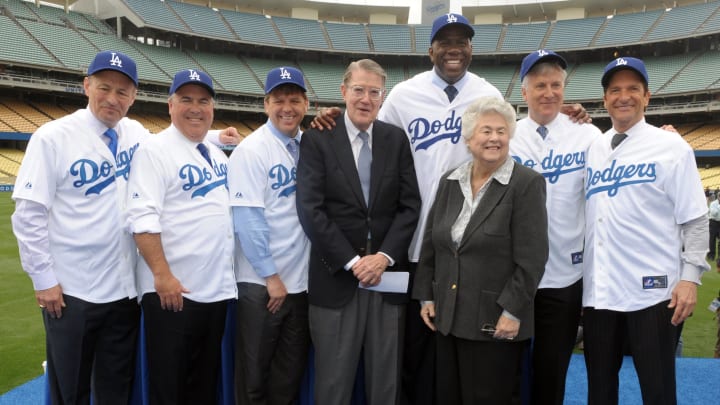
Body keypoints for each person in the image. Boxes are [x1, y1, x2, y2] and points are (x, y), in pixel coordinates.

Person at [310, 13, 589, 404]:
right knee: (415, 359)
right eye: (445, 41)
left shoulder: (488, 92)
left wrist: (568, 113)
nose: (454, 48)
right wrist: (334, 116)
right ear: (431, 50)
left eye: (462, 41)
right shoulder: (404, 94)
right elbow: (369, 129)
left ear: (472, 49)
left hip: (477, 253)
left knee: (473, 364)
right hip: (411, 245)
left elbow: (512, 131)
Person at [11, 49, 144, 405]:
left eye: (122, 92)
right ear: (87, 86)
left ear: (133, 97)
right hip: (71, 292)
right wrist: (44, 280)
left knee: (117, 388)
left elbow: (173, 148)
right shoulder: (52, 136)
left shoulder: (136, 133)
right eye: (104, 87)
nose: (112, 99)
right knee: (70, 391)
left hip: (123, 290)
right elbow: (29, 214)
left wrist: (214, 139)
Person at [583, 56, 709, 404]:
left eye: (633, 89)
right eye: (615, 90)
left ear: (647, 96)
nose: (624, 97)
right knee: (599, 390)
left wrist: (690, 278)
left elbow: (696, 218)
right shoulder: (593, 146)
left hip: (654, 291)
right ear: (605, 99)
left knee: (657, 390)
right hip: (600, 290)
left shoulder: (672, 147)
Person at [296, 58, 421, 405]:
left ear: (383, 98)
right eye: (358, 90)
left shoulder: (395, 140)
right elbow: (311, 209)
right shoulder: (318, 139)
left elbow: (410, 206)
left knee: (385, 385)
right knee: (333, 385)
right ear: (343, 92)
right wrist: (353, 262)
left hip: (387, 279)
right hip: (336, 279)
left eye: (374, 92)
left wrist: (382, 257)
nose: (366, 99)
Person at [412, 96, 549, 404]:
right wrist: (427, 296)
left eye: (501, 131)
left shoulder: (526, 184)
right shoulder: (451, 181)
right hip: (448, 317)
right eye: (486, 131)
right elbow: (432, 241)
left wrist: (512, 311)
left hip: (495, 321)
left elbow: (533, 258)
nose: (494, 138)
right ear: (469, 139)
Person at [126, 68, 237, 404]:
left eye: (203, 101)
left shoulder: (216, 154)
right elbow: (142, 218)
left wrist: (218, 137)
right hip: (174, 291)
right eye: (186, 99)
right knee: (169, 386)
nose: (195, 107)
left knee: (202, 385)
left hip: (213, 291)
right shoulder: (154, 150)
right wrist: (162, 275)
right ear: (170, 105)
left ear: (213, 109)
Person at [511, 49, 602, 404]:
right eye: (539, 85)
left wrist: (666, 135)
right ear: (524, 91)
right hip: (514, 272)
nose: (548, 92)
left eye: (555, 85)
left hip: (566, 272)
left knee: (553, 368)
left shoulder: (589, 134)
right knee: (509, 365)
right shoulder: (508, 135)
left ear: (564, 88)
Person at [228, 66, 311, 405]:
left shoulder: (310, 147)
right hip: (263, 285)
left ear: (306, 104)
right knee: (253, 380)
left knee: (287, 379)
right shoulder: (252, 150)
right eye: (279, 100)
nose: (287, 107)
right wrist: (271, 277)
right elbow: (248, 221)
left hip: (300, 284)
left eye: (294, 99)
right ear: (266, 104)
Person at [708, 196, 720, 263]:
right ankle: (711, 256)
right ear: (718, 197)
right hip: (713, 222)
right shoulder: (713, 204)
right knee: (712, 240)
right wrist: (719, 206)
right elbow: (714, 213)